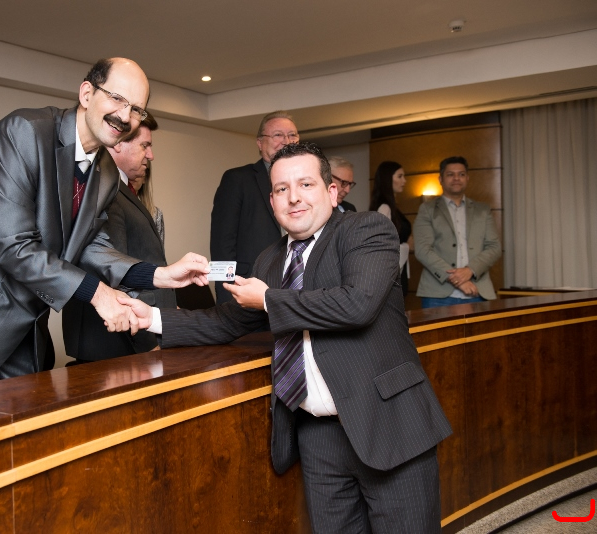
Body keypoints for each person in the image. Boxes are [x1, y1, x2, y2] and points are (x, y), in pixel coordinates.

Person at [121, 142, 451, 533]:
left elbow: (357, 304)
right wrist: (153, 318)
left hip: (387, 424)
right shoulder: (270, 259)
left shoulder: (365, 230)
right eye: (281, 189)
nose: (293, 197)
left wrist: (268, 299)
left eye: (306, 184)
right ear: (272, 201)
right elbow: (229, 322)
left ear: (331, 191)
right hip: (317, 435)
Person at [0, 58, 208, 398]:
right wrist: (99, 294)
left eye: (136, 110)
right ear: (87, 93)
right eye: (117, 98)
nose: (125, 116)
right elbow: (11, 243)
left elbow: (92, 247)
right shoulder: (24, 132)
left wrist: (160, 275)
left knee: (23, 430)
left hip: (20, 329)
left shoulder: (106, 172)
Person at [62, 112, 177, 362]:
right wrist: (149, 339)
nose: (150, 155)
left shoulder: (122, 190)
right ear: (118, 144)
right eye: (144, 145)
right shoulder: (107, 192)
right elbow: (113, 272)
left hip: (132, 335)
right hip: (120, 340)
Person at [210, 111, 299, 304]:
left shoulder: (306, 183)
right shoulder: (237, 179)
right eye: (278, 135)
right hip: (248, 288)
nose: (286, 141)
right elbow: (221, 244)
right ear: (260, 143)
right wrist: (226, 295)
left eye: (292, 135)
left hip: (296, 290)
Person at [414, 156, 502, 308]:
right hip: (437, 295)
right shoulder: (427, 209)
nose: (456, 178)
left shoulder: (483, 210)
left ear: (467, 178)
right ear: (440, 179)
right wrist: (457, 279)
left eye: (461, 174)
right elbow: (423, 250)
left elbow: (494, 247)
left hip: (477, 292)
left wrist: (470, 270)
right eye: (450, 174)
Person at [370, 161, 411, 296]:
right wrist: (407, 246)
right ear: (387, 179)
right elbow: (380, 244)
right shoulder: (384, 207)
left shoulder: (393, 207)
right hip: (390, 271)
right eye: (400, 176)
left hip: (398, 267)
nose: (404, 181)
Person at [129, 163, 165, 246]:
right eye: (132, 169)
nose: (135, 174)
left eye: (139, 169)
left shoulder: (156, 214)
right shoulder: (110, 207)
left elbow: (158, 252)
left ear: (145, 177)